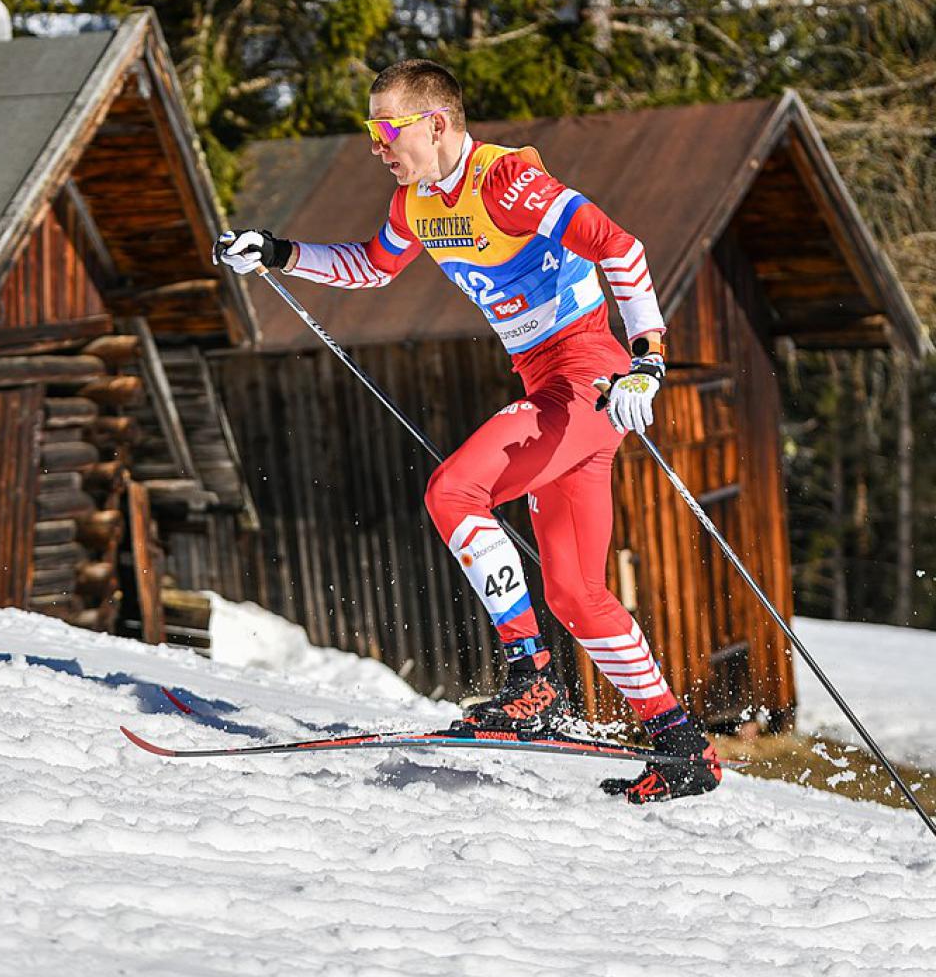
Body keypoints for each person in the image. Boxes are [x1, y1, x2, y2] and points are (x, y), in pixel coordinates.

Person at [214, 59, 720, 804]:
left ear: (436, 123)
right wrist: (280, 252)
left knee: (456, 490)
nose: (377, 145)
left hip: (588, 378)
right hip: (549, 388)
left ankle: (532, 683)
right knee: (576, 591)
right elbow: (370, 267)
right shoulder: (415, 202)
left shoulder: (506, 183)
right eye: (370, 130)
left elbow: (622, 249)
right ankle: (682, 745)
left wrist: (649, 361)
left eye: (387, 128)